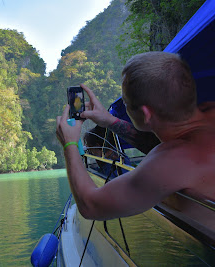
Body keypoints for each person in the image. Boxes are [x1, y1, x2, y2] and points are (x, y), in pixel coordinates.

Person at [56, 51, 215, 220]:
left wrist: (69, 143)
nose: (125, 106)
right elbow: (161, 144)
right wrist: (109, 120)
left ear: (146, 113)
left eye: (126, 103)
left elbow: (90, 205)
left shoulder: (171, 162)